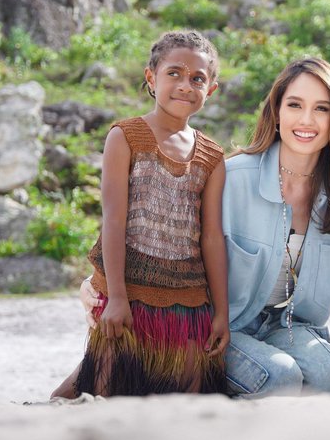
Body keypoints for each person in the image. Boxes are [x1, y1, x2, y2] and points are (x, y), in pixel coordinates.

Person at [52, 30, 229, 398]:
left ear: (211, 89)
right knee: (99, 391)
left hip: (187, 299)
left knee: (192, 395)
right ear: (152, 77)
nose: (185, 85)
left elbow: (211, 236)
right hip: (127, 292)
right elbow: (114, 220)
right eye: (174, 73)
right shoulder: (126, 136)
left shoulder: (212, 156)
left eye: (198, 78)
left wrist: (221, 313)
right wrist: (116, 296)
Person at [222, 57, 330, 397]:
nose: (306, 120)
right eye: (295, 105)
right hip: (224, 326)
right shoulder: (233, 179)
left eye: (322, 108)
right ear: (276, 111)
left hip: (287, 327)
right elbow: (176, 244)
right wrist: (102, 284)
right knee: (278, 377)